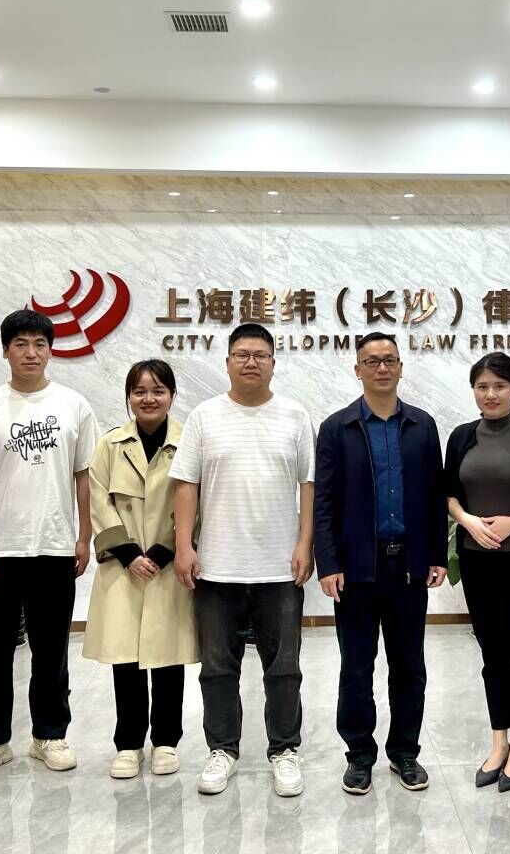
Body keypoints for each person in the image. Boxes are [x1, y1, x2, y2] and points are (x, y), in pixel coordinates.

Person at [0, 309, 99, 783]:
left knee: (51, 651)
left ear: (51, 350)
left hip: (54, 548)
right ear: (5, 350)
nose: (30, 353)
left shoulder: (74, 406)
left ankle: (49, 735)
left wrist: (84, 535)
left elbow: (85, 476)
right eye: (20, 344)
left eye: (39, 344)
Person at [169, 322, 316, 798]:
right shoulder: (205, 416)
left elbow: (309, 485)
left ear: (273, 363)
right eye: (241, 354)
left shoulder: (294, 415)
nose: (251, 362)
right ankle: (222, 750)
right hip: (217, 566)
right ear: (227, 362)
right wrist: (185, 545)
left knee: (284, 667)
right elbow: (186, 485)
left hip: (279, 566)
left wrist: (306, 542)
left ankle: (284, 750)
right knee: (217, 667)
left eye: (260, 355)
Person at [313, 332, 448, 795]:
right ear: (357, 370)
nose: (382, 368)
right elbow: (324, 502)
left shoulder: (422, 425)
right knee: (356, 667)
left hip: (407, 567)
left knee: (409, 666)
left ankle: (405, 752)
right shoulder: (337, 428)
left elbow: (434, 494)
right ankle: (359, 755)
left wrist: (436, 555)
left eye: (389, 359)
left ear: (401, 367)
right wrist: (328, 562)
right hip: (356, 570)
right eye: (371, 361)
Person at [444, 352, 510, 793]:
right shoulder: (461, 437)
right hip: (477, 560)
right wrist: (468, 521)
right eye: (482, 386)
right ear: (474, 390)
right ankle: (498, 741)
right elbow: (449, 494)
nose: (491, 394)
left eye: (499, 386)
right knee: (491, 651)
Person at [84, 359, 197, 779]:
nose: (149, 399)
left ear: (172, 395)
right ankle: (128, 744)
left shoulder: (189, 443)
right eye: (140, 391)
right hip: (124, 566)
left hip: (169, 565)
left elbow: (198, 499)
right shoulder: (110, 445)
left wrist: (168, 550)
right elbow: (98, 499)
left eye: (158, 391)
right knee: (126, 660)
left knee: (168, 658)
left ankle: (166, 741)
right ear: (129, 397)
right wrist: (129, 553)